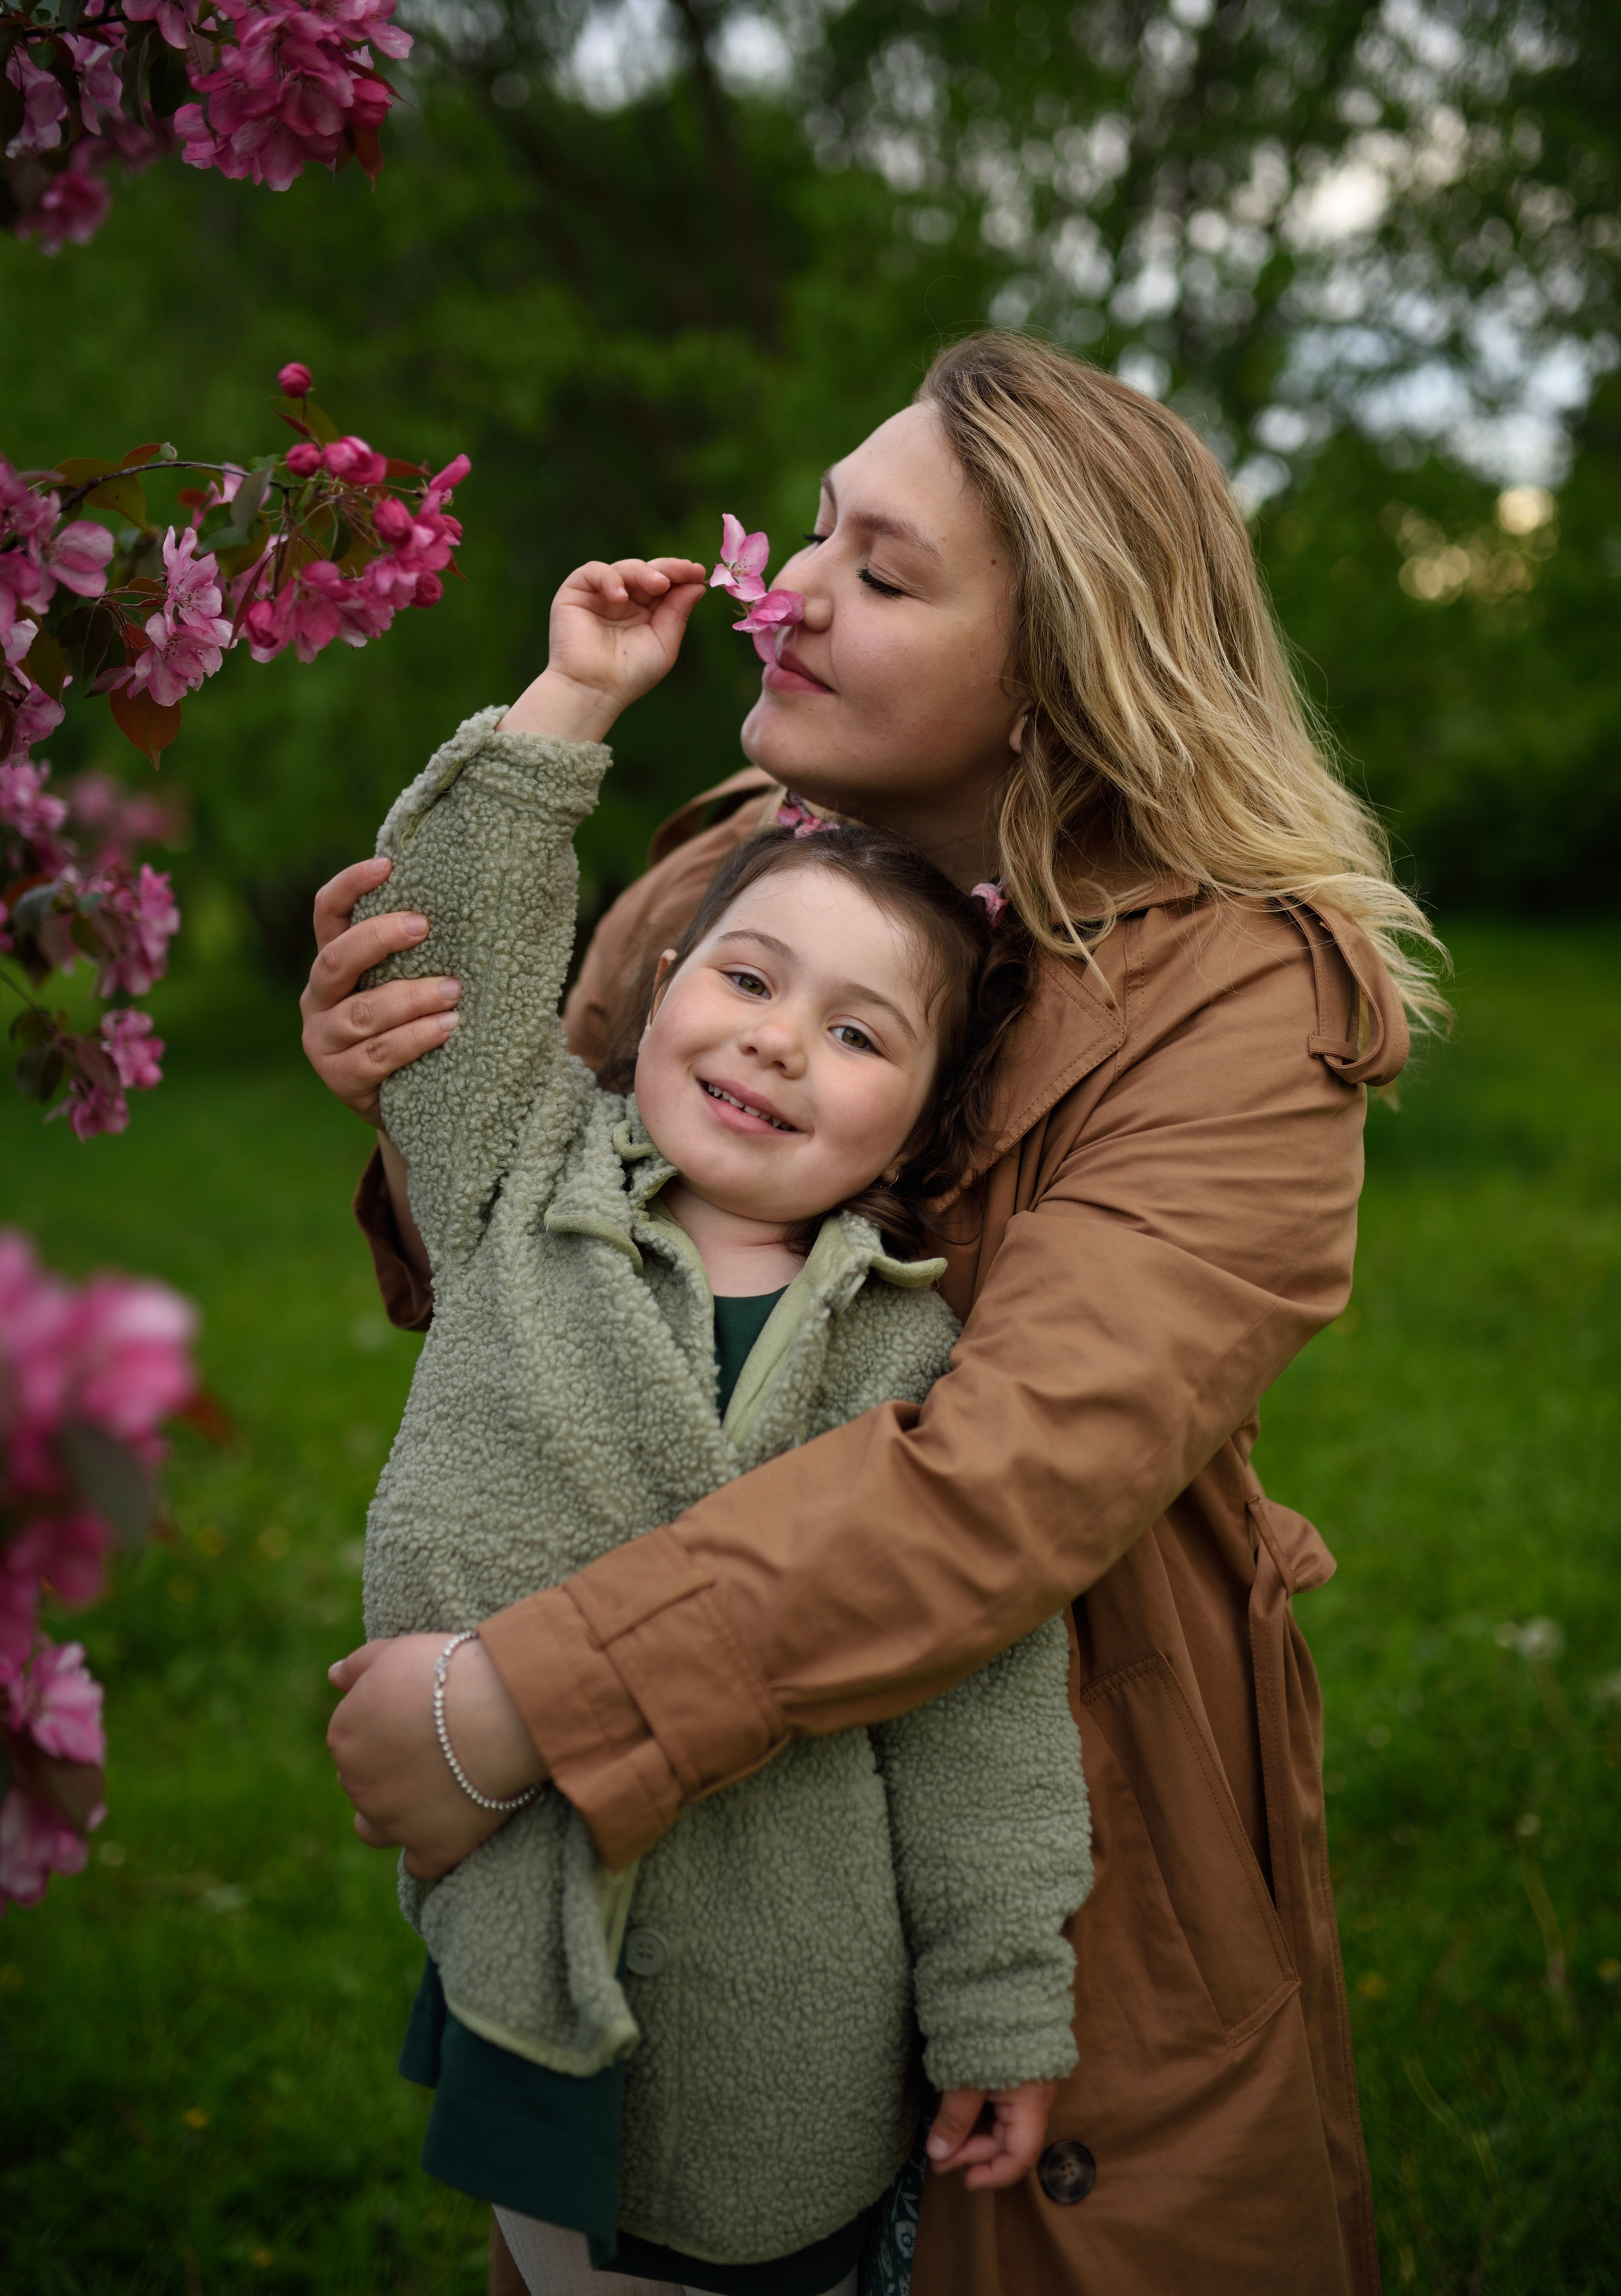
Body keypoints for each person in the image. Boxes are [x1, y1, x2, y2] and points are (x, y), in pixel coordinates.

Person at [317, 332, 1446, 2296]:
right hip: (663, 1880)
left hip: (1053, 1840)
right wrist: (413, 1086)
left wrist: (520, 1709)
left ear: (1065, 665)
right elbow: (551, 1271)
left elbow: (999, 1486)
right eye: (815, 529)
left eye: (886, 571)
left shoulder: (1240, 1002)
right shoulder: (712, 873)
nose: (792, 590)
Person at [350, 589, 1093, 2296]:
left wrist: (1002, 1997)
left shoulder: (909, 1345)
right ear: (668, 980)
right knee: (548, 2265)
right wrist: (577, 689)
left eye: (857, 1033)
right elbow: (448, 921)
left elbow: (981, 1708)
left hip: (797, 2032)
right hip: (531, 1965)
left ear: (923, 1112)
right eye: (750, 978)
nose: (778, 1039)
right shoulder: (516, 1176)